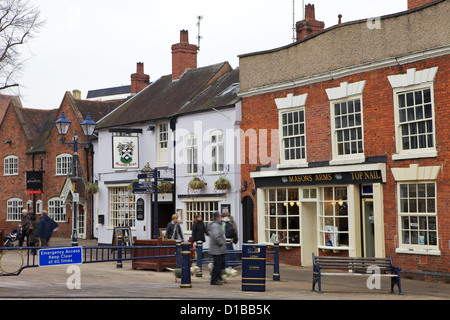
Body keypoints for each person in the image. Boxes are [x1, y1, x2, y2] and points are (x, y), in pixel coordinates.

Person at [208, 211, 227, 285]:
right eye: (219, 216)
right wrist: (222, 243)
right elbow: (216, 236)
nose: (221, 218)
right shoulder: (215, 226)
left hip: (219, 249)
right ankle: (214, 280)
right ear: (217, 218)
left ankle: (218, 278)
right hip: (217, 249)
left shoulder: (217, 225)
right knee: (217, 265)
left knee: (221, 264)